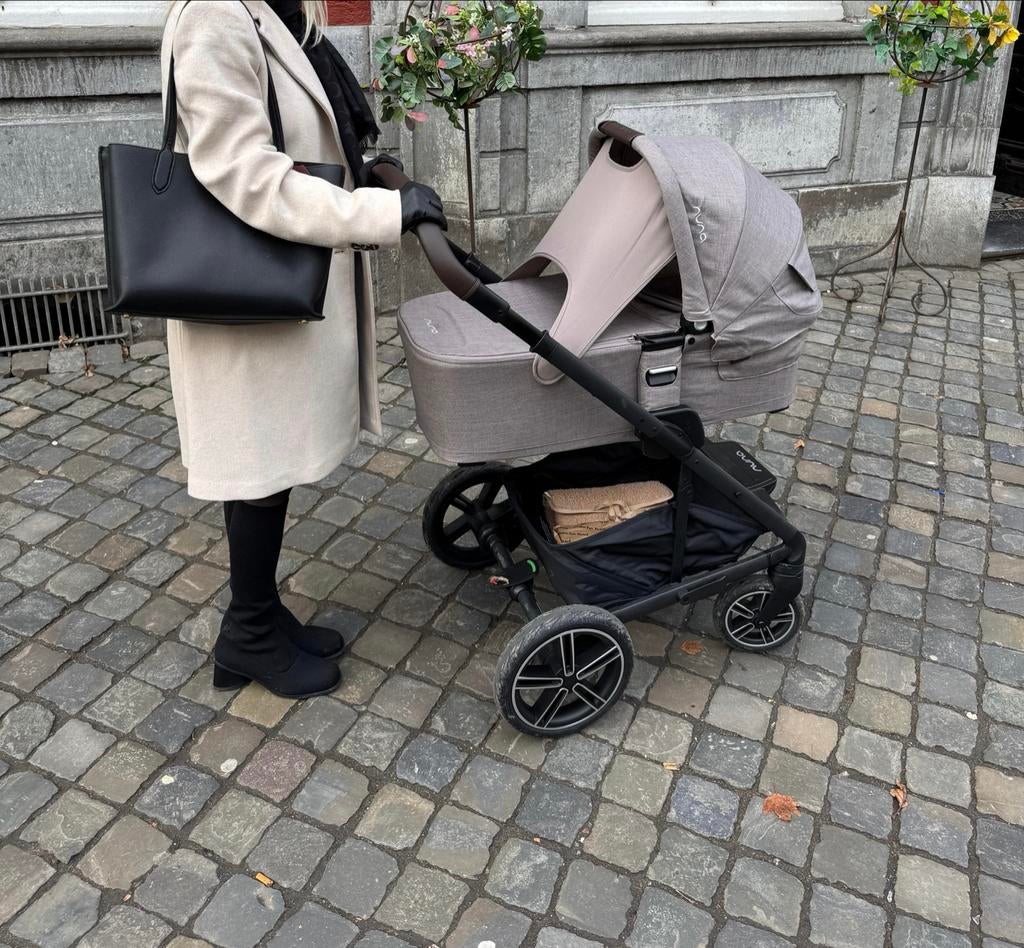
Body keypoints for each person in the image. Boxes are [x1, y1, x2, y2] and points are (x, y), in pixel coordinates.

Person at [160, 0, 447, 698]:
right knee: (257, 463)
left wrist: (364, 171)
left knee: (266, 464)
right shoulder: (214, 18)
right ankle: (248, 634)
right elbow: (244, 173)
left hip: (277, 288)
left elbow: (305, 133)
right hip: (245, 292)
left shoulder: (278, 14)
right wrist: (378, 212)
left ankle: (257, 615)